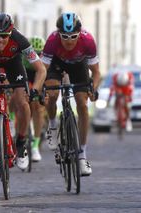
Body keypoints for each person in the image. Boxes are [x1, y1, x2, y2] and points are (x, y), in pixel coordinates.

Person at [0, 12, 46, 170]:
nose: (0, 40)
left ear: (10, 33)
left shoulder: (19, 40)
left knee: (23, 102)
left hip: (13, 64)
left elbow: (41, 69)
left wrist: (35, 90)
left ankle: (21, 144)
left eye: (4, 36)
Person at [41, 13, 100, 176]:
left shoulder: (88, 41)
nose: (68, 40)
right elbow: (42, 70)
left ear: (79, 34)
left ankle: (82, 156)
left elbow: (96, 72)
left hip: (78, 66)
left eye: (73, 36)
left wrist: (93, 88)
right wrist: (40, 88)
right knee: (52, 94)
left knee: (82, 104)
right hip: (56, 65)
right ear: (58, 33)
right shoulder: (52, 41)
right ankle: (52, 125)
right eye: (64, 36)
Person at [22, 36, 47, 162]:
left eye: (39, 53)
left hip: (38, 74)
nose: (36, 55)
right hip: (25, 74)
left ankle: (35, 145)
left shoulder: (45, 59)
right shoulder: (23, 56)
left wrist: (42, 92)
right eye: (34, 53)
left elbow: (44, 76)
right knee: (20, 100)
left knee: (38, 106)